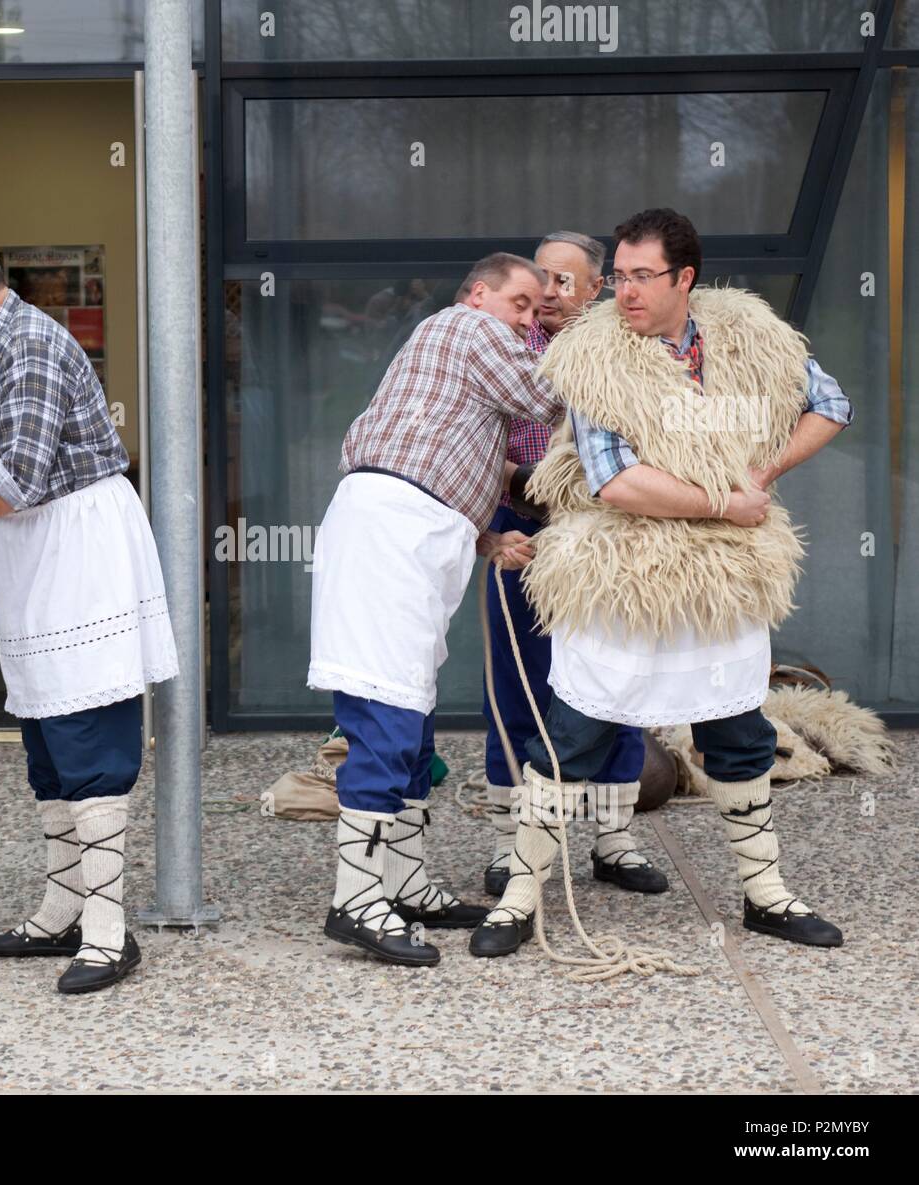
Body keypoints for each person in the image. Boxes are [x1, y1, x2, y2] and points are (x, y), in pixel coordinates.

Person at [473, 209, 853, 958]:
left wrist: (761, 474)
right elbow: (615, 481)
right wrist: (723, 500)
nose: (625, 291)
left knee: (738, 731)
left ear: (685, 277)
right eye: (618, 275)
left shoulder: (749, 337)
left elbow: (831, 405)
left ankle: (766, 896)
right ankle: (519, 899)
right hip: (623, 566)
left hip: (722, 572)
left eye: (642, 276)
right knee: (574, 731)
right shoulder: (593, 356)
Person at [0, 234, 178, 994]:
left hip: (78, 540)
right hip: (31, 546)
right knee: (47, 737)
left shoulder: (32, 345)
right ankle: (63, 910)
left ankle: (110, 933)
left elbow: (16, 477)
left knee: (90, 731)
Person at [308, 253, 563, 967]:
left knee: (410, 720)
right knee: (386, 717)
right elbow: (550, 399)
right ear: (478, 293)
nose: (529, 320)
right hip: (391, 533)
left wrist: (486, 534)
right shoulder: (467, 326)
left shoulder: (462, 369)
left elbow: (438, 465)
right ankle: (356, 900)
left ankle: (406, 881)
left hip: (410, 530)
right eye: (521, 302)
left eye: (538, 311)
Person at [481, 232, 657, 898]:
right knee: (517, 686)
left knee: (620, 682)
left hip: (607, 532)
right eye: (541, 280)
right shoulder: (501, 343)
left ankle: (614, 839)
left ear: (595, 290)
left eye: (564, 282)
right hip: (522, 525)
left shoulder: (627, 350)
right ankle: (508, 844)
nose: (548, 295)